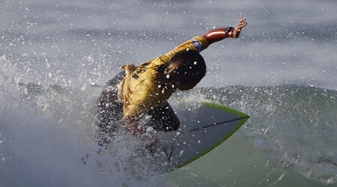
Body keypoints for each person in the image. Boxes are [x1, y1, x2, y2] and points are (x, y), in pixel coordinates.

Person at [95, 18, 247, 145]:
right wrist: (146, 137)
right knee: (105, 141)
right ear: (179, 81)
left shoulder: (177, 59)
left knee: (171, 124)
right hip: (114, 97)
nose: (195, 85)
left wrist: (230, 32)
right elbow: (128, 121)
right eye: (193, 82)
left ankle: (143, 132)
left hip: (136, 82)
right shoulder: (148, 92)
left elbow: (207, 38)